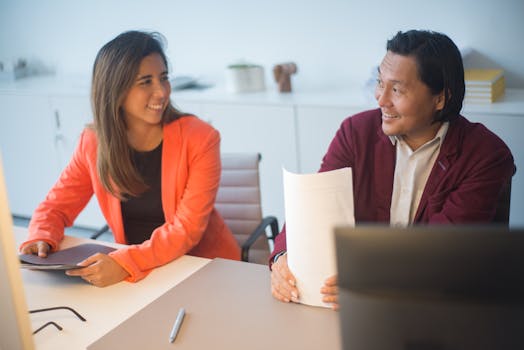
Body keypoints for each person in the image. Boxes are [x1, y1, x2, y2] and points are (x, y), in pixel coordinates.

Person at [270, 29, 516, 310]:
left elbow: (445, 252)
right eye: (379, 82)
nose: (381, 99)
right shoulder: (356, 132)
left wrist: (369, 279)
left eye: (397, 89)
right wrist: (283, 258)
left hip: (438, 306)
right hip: (353, 306)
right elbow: (312, 209)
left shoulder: (485, 155)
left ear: (440, 98)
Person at [20, 30, 240, 287]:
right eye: (145, 81)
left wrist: (125, 263)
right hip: (138, 273)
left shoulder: (200, 138)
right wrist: (41, 237)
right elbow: (55, 208)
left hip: (200, 268)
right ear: (116, 90)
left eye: (163, 78)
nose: (161, 91)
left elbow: (186, 230)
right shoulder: (94, 142)